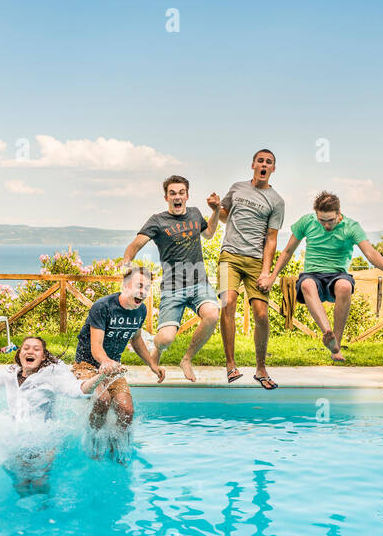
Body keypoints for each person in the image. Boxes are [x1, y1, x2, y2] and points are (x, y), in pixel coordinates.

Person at [262, 190, 383, 362]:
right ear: (316, 215)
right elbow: (288, 251)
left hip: (338, 275)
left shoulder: (351, 227)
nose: (326, 225)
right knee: (306, 285)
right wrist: (272, 276)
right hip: (312, 274)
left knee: (345, 286)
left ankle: (336, 347)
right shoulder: (306, 222)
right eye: (322, 221)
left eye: (331, 221)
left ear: (338, 213)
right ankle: (328, 334)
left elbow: (370, 252)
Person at [0, 336, 105, 490]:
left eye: (36, 349)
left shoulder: (51, 375)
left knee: (39, 482)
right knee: (20, 483)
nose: (30, 351)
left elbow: (77, 389)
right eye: (26, 348)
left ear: (43, 357)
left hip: (44, 440)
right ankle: (24, 513)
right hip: (17, 437)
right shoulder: (10, 372)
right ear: (19, 353)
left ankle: (44, 510)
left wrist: (101, 376)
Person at [122, 175, 221, 382]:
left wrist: (215, 211)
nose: (177, 197)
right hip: (172, 287)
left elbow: (210, 233)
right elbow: (135, 245)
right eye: (172, 193)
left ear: (187, 195)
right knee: (166, 339)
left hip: (199, 283)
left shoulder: (194, 214)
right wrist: (127, 262)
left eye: (181, 193)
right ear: (166, 197)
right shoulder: (157, 220)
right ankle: (157, 347)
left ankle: (186, 359)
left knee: (212, 314)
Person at [73, 265, 165, 459]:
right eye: (139, 286)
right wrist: (106, 362)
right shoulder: (103, 306)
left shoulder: (140, 311)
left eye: (147, 288)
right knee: (103, 400)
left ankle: (117, 448)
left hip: (113, 367)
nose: (143, 292)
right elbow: (96, 347)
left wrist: (152, 364)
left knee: (127, 411)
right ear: (125, 286)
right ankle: (94, 440)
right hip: (87, 365)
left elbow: (136, 339)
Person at [218, 148, 285, 389]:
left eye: (269, 162)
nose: (264, 164)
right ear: (253, 165)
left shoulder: (277, 201)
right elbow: (224, 217)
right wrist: (217, 206)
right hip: (230, 256)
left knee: (262, 315)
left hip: (257, 261)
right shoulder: (237, 188)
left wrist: (266, 272)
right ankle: (230, 364)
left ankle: (260, 368)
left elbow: (272, 238)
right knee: (227, 302)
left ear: (273, 169)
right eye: (260, 161)